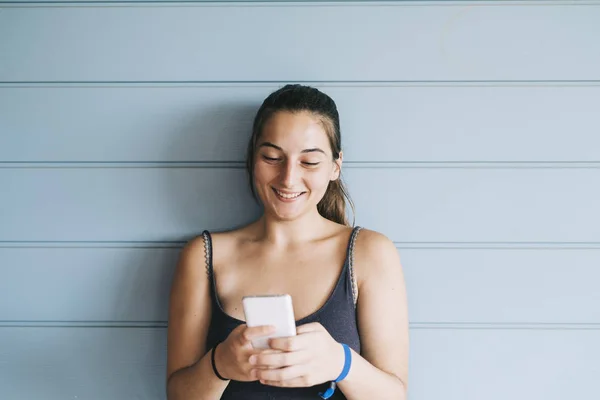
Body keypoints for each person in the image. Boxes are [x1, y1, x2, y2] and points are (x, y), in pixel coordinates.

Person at [166, 84, 409, 400]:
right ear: (253, 157)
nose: (288, 178)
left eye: (309, 162)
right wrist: (219, 365)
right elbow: (177, 394)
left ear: (336, 166)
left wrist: (341, 363)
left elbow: (395, 394)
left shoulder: (369, 253)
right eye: (272, 157)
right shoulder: (204, 256)